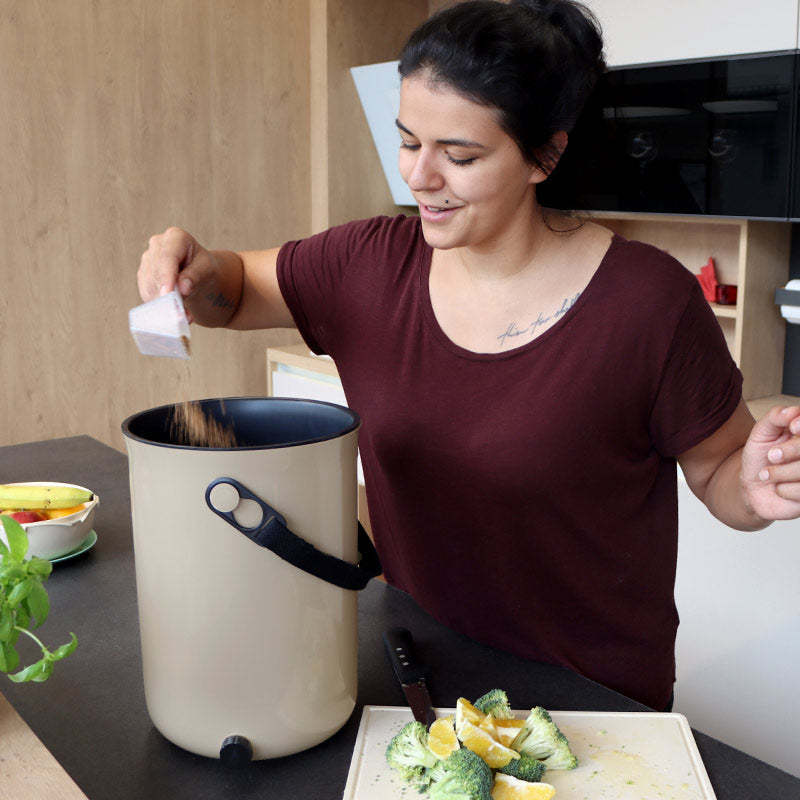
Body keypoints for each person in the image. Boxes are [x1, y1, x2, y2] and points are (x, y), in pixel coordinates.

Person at [137, 0, 800, 711]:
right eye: (407, 141)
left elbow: (721, 472)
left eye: (459, 156)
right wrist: (198, 271)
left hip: (593, 699)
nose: (420, 177)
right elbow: (233, 294)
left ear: (545, 154)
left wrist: (758, 483)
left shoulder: (648, 305)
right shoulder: (365, 265)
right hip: (421, 668)